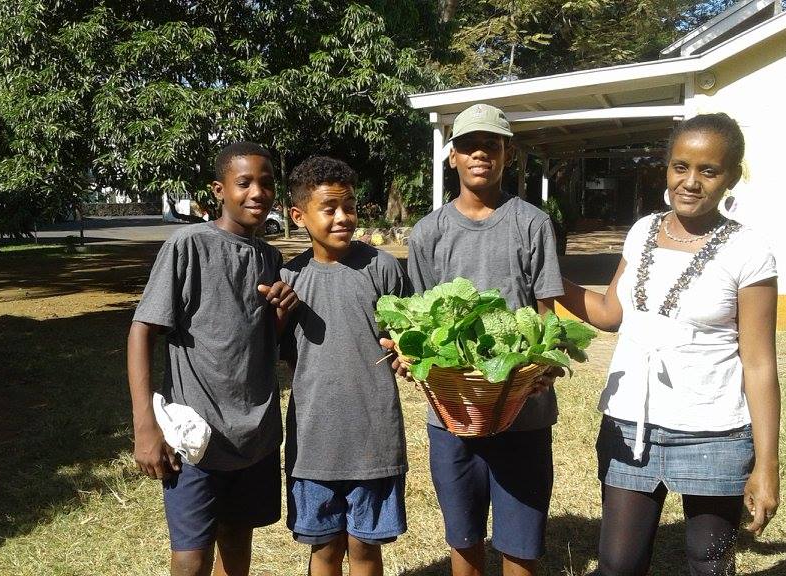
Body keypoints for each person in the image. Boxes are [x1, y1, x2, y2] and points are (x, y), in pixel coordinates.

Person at [556, 113, 780, 576]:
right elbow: (609, 315)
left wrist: (767, 464)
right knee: (618, 564)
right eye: (681, 166)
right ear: (667, 169)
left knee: (708, 563)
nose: (691, 182)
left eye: (708, 171)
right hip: (630, 425)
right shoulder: (642, 232)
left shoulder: (749, 252)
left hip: (713, 429)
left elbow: (759, 364)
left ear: (731, 176)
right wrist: (548, 279)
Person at [383, 103, 564, 576]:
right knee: (463, 537)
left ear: (508, 154)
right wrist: (409, 357)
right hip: (451, 412)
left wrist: (542, 365)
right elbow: (416, 322)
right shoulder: (429, 232)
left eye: (492, 144)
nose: (479, 153)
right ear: (452, 157)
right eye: (468, 145)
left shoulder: (533, 224)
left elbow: (547, 318)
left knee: (520, 541)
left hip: (522, 408)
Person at [127, 141, 298, 576]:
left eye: (266, 182)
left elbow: (258, 343)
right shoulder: (189, 245)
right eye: (244, 183)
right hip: (196, 437)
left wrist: (279, 316)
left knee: (238, 541)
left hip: (255, 433)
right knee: (190, 556)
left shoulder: (269, 256)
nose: (257, 192)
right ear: (218, 190)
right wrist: (145, 425)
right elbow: (142, 330)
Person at [280, 156, 411, 576]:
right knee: (324, 550)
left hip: (374, 438)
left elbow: (406, 338)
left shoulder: (384, 268)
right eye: (329, 208)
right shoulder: (288, 278)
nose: (343, 217)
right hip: (312, 442)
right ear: (299, 215)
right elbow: (279, 352)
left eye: (349, 206)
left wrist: (406, 352)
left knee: (366, 549)